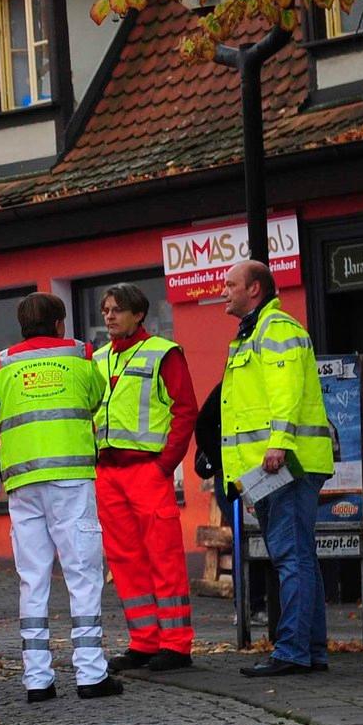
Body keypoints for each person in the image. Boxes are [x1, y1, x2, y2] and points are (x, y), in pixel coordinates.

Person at [0, 293, 122, 702]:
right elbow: (97, 396)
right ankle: (90, 674)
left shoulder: (1, 364)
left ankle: (37, 680)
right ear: (60, 324)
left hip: (23, 485)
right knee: (82, 574)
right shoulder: (82, 356)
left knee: (32, 579)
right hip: (70, 480)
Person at [219, 260, 335, 677]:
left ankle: (292, 652)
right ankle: (310, 650)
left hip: (286, 463)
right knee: (300, 557)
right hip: (274, 467)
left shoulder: (276, 329)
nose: (223, 289)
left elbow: (286, 394)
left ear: (254, 289)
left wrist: (279, 445)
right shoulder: (254, 333)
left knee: (291, 558)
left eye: (231, 284)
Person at [92, 283, 200, 672]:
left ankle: (176, 643)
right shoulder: (98, 359)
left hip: (147, 471)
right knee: (124, 559)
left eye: (117, 309)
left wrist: (164, 466)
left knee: (163, 557)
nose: (109, 316)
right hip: (107, 473)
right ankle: (144, 640)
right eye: (106, 309)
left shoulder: (163, 353)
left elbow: (185, 410)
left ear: (138, 315)